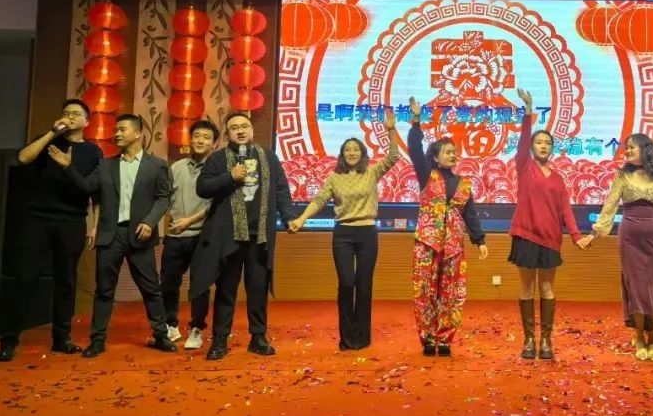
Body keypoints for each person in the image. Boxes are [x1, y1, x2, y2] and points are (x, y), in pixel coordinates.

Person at [57, 114, 177, 357]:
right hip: (110, 235)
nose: (117, 134)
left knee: (151, 288)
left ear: (138, 133)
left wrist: (150, 222)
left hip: (140, 234)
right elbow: (86, 187)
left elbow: (163, 198)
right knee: (104, 290)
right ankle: (97, 340)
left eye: (122, 129)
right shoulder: (105, 165)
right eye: (116, 130)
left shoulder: (157, 165)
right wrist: (68, 167)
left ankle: (161, 336)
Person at [0, 99, 103, 362]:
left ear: (87, 122)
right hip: (37, 219)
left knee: (66, 282)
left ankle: (61, 339)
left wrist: (94, 225)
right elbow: (23, 157)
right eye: (66, 113)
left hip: (72, 220)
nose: (70, 117)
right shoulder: (47, 141)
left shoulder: (93, 151)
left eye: (75, 114)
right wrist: (52, 133)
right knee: (24, 278)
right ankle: (8, 341)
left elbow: (96, 191)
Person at [190, 112, 301, 361]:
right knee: (226, 289)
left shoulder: (268, 156)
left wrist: (289, 217)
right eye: (234, 128)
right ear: (227, 134)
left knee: (258, 288)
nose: (240, 131)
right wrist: (230, 177)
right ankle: (219, 340)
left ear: (251, 130)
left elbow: (282, 190)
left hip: (259, 235)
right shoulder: (218, 159)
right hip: (228, 236)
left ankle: (258, 337)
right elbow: (202, 188)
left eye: (244, 126)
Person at [291, 111, 400, 350]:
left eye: (355, 149)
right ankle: (347, 337)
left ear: (362, 153)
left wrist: (391, 130)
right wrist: (301, 218)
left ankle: (362, 337)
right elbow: (319, 200)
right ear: (342, 154)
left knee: (364, 285)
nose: (351, 153)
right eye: (347, 150)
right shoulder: (334, 177)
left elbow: (394, 156)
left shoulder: (371, 172)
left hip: (367, 233)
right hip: (343, 235)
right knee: (347, 282)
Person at [578, 134, 653, 361]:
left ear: (645, 149)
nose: (627, 151)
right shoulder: (622, 175)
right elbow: (609, 206)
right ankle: (639, 337)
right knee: (636, 287)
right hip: (629, 239)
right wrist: (593, 234)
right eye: (626, 147)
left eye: (631, 147)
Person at [507, 87, 585, 360]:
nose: (543, 146)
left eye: (547, 143)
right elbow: (522, 141)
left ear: (552, 148)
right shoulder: (524, 166)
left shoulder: (558, 178)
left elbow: (566, 211)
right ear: (531, 147)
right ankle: (529, 340)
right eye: (538, 142)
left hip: (551, 240)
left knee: (547, 289)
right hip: (526, 236)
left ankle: (546, 341)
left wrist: (576, 236)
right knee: (527, 288)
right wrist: (528, 111)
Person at [407, 96, 488, 357]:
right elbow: (414, 148)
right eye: (447, 151)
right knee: (425, 291)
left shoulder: (463, 183)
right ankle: (428, 338)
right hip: (427, 243)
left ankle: (444, 339)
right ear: (435, 157)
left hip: (453, 246)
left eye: (454, 151)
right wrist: (416, 121)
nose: (453, 155)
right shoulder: (426, 175)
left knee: (451, 293)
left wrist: (479, 240)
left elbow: (470, 213)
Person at [160, 119, 218, 350]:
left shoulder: (217, 170)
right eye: (197, 136)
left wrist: (190, 221)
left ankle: (196, 328)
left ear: (214, 144)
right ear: (190, 140)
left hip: (202, 236)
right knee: (168, 282)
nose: (201, 140)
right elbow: (164, 197)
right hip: (175, 235)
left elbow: (216, 205)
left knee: (200, 285)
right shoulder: (176, 167)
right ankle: (170, 324)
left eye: (206, 137)